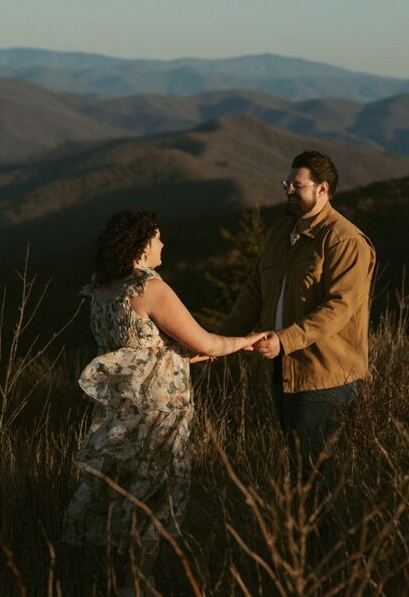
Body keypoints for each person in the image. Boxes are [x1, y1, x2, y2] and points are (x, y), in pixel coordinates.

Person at [63, 207, 264, 591]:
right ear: (141, 246)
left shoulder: (102, 290)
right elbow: (205, 341)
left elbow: (139, 348)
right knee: (155, 496)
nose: (163, 243)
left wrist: (185, 354)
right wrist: (246, 341)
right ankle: (136, 583)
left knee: (122, 489)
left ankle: (122, 580)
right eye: (156, 237)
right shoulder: (148, 288)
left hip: (120, 411)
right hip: (159, 412)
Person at [220, 150, 376, 470]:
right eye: (287, 183)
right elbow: (254, 291)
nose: (289, 189)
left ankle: (320, 522)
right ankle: (297, 520)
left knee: (317, 471)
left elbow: (338, 308)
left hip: (325, 375)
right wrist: (218, 340)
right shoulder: (280, 234)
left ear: (322, 189)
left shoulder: (344, 240)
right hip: (282, 370)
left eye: (297, 185)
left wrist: (284, 340)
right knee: (296, 465)